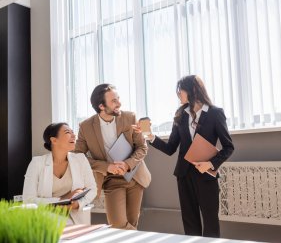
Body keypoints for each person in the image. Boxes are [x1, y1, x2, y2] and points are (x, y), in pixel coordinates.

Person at [145, 75, 234, 237]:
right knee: (190, 221)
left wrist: (211, 164)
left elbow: (229, 147)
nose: (178, 95)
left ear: (193, 90)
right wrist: (150, 137)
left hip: (206, 174)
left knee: (210, 221)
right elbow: (171, 147)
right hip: (184, 175)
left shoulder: (215, 113)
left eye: (181, 91)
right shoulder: (180, 115)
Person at [74, 84, 151, 230]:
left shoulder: (130, 117)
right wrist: (106, 166)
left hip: (134, 177)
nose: (119, 103)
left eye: (118, 99)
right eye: (114, 101)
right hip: (111, 180)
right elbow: (78, 156)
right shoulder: (85, 126)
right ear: (101, 106)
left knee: (132, 222)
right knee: (117, 225)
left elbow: (142, 147)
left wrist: (127, 164)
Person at [22, 123, 97, 225]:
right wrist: (63, 199)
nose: (73, 135)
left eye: (73, 132)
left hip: (76, 216)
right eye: (67, 132)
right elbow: (28, 199)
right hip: (46, 216)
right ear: (54, 140)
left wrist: (77, 204)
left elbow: (92, 189)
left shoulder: (80, 159)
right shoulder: (37, 163)